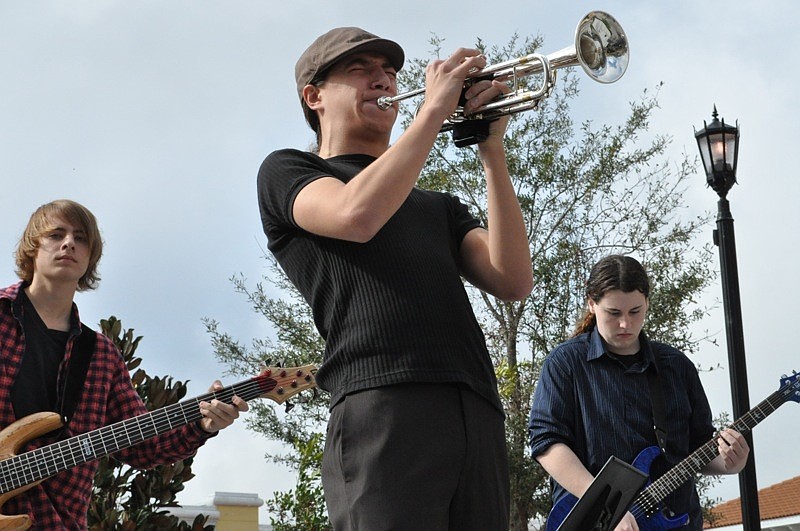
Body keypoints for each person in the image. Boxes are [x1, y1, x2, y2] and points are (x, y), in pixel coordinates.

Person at [257, 27, 533, 530]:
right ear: (314, 96)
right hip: (382, 404)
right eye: (361, 70)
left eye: (389, 72)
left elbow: (512, 279)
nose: (383, 81)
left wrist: (490, 147)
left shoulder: (435, 205)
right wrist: (432, 112)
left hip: (474, 402)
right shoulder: (288, 170)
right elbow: (355, 216)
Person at [0, 199, 248, 529]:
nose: (69, 243)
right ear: (33, 246)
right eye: (56, 234)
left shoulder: (100, 355)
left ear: (90, 259)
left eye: (81, 238)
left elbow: (144, 446)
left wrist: (203, 424)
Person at [528, 254, 749, 531]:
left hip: (678, 520)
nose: (625, 324)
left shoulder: (677, 366)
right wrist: (607, 507)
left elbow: (698, 446)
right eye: (613, 313)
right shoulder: (566, 362)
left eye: (635, 311)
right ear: (592, 304)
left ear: (646, 303)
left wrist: (730, 463)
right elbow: (547, 443)